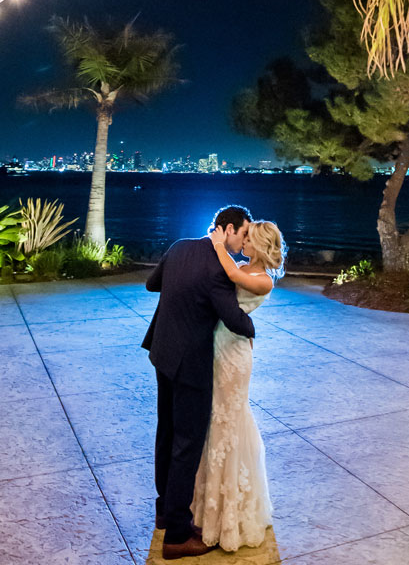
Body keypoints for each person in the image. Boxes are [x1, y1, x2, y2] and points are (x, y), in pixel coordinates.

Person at [141, 205, 256, 560]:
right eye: (243, 233)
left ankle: (164, 511)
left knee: (168, 432)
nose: (245, 240)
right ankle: (176, 534)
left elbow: (151, 284)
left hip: (162, 352)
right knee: (186, 446)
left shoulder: (178, 247)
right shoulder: (217, 270)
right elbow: (234, 318)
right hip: (190, 364)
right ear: (226, 229)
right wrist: (254, 330)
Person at [190, 219, 286, 552]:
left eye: (248, 239)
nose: (243, 242)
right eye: (242, 236)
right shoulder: (245, 264)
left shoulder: (262, 280)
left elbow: (232, 277)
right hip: (219, 344)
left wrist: (216, 242)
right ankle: (209, 502)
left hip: (233, 353)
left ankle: (230, 512)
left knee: (228, 421)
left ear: (258, 245)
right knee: (214, 418)